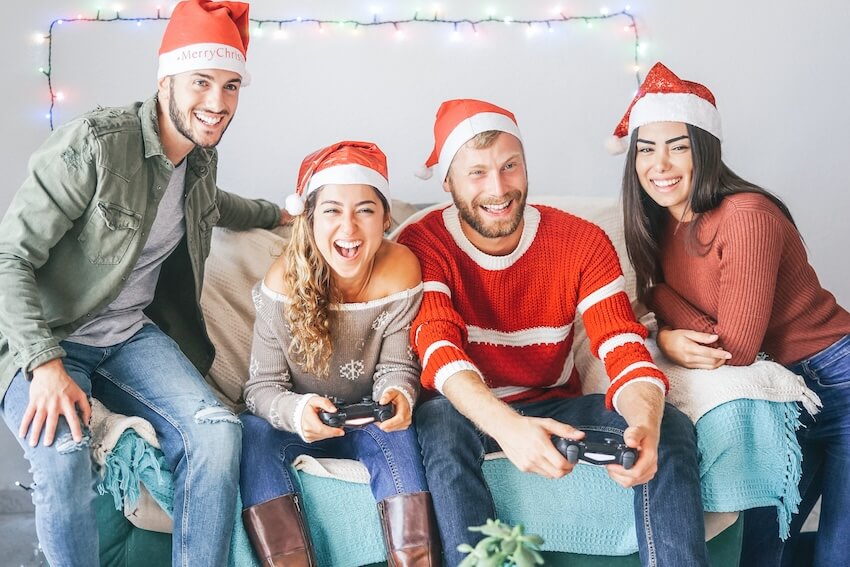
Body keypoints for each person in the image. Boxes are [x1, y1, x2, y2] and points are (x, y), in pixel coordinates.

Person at [0, 1, 288, 565]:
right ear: (166, 81)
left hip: (129, 337)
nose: (217, 103)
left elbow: (216, 208)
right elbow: (9, 256)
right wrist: (45, 364)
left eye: (231, 87)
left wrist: (279, 215)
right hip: (46, 339)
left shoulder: (200, 164)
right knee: (61, 452)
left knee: (216, 433)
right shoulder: (95, 147)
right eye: (201, 82)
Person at [397, 98, 709, 566]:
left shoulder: (581, 241)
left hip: (552, 398)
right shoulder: (421, 243)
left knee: (669, 428)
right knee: (438, 421)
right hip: (464, 410)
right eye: (477, 173)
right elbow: (439, 348)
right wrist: (510, 430)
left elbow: (622, 345)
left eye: (510, 166)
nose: (499, 188)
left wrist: (643, 420)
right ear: (448, 182)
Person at [613, 61, 850, 567]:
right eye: (647, 149)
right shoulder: (659, 224)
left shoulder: (745, 216)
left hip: (839, 378)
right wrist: (665, 321)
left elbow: (733, 348)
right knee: (762, 552)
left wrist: (662, 314)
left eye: (678, 146)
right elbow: (658, 295)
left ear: (704, 151)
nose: (662, 164)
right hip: (784, 397)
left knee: (838, 552)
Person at [239, 141, 440, 566]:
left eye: (365, 209)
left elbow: (398, 363)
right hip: (299, 423)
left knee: (401, 435)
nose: (348, 227)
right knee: (251, 434)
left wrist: (399, 394)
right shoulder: (282, 285)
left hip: (370, 420)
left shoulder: (402, 268)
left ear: (386, 218)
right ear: (309, 219)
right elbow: (261, 388)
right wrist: (298, 412)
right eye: (331, 210)